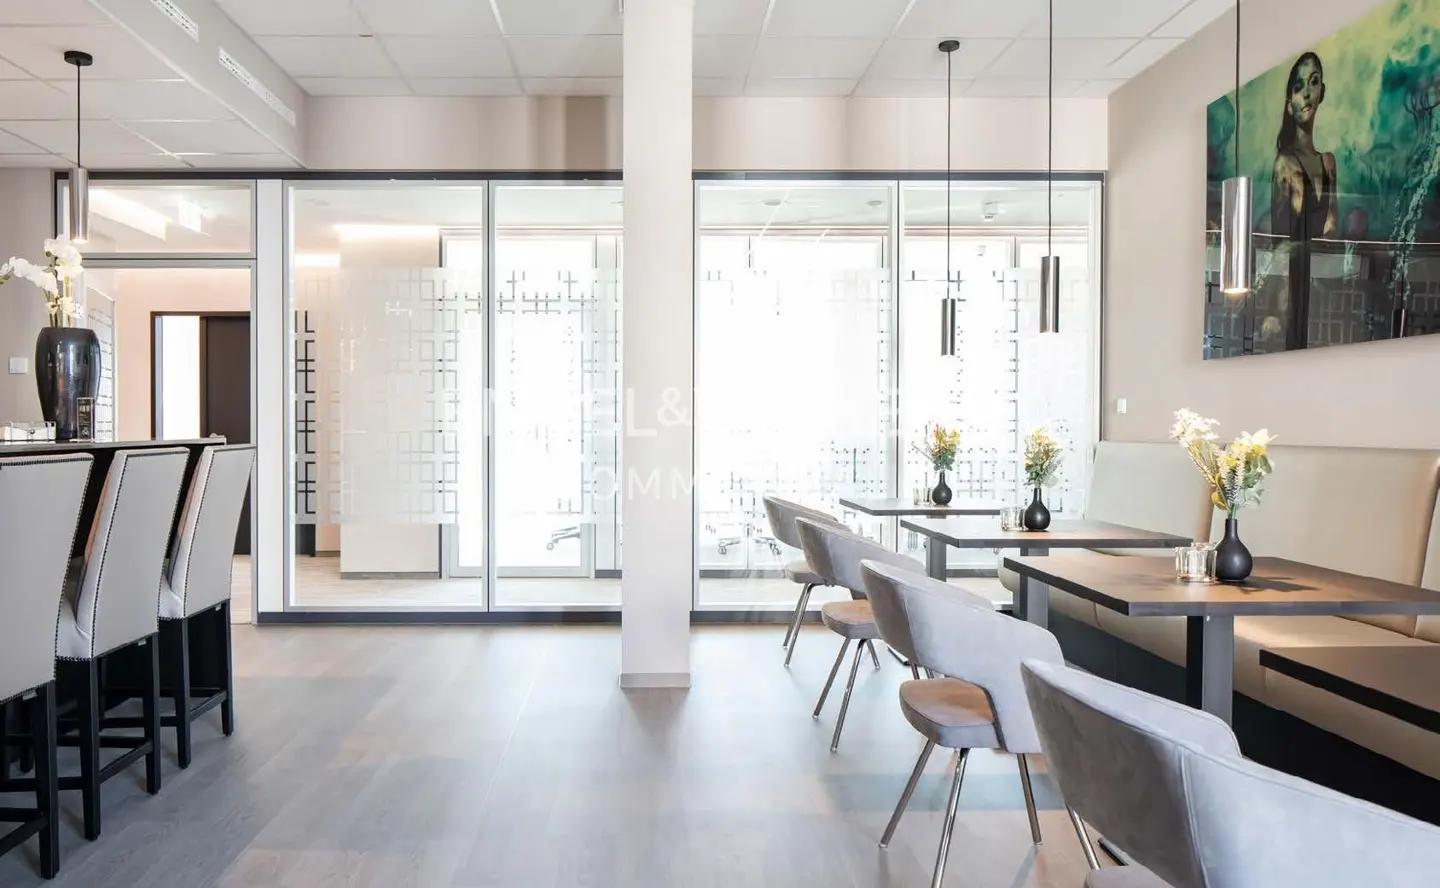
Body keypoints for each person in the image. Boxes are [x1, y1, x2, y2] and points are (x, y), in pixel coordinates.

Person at [1270, 52, 1338, 349]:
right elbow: (1277, 242)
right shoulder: (1284, 164)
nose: (1307, 93)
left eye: (1313, 82)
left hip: (1319, 289)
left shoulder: (1329, 162)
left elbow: (1332, 231)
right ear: (1289, 103)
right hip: (1291, 287)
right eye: (1299, 87)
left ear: (1322, 90)